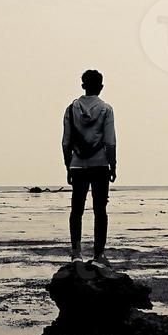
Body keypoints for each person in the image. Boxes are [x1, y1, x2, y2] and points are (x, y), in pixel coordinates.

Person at [62, 69, 116, 263]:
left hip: (77, 166)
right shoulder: (106, 109)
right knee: (100, 210)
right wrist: (113, 165)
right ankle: (99, 254)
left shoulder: (71, 109)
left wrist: (68, 166)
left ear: (83, 85)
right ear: (101, 87)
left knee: (76, 210)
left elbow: (66, 142)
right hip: (100, 164)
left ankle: (76, 253)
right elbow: (110, 142)